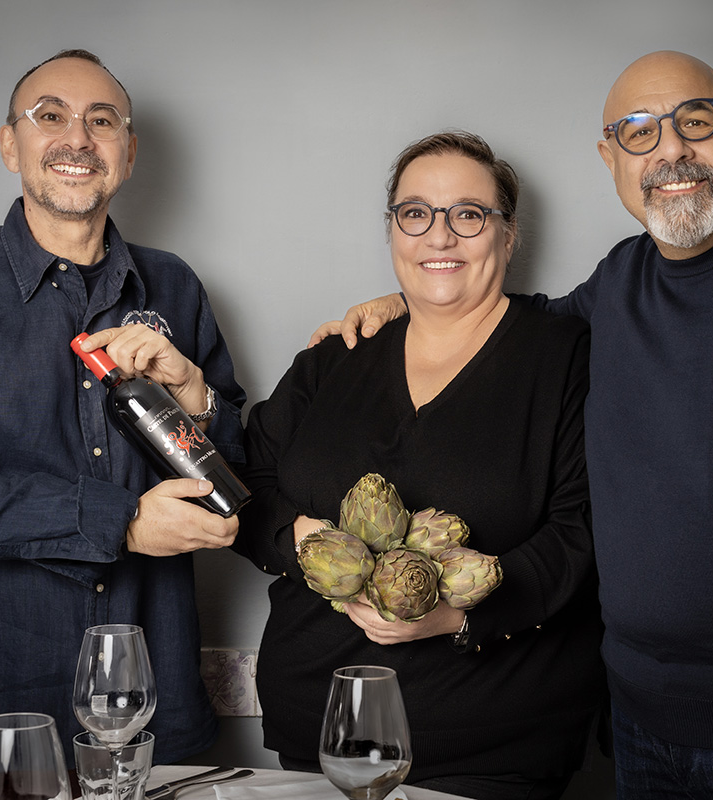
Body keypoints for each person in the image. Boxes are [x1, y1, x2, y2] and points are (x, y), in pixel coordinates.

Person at [312, 52, 713, 800]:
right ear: (610, 159)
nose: (670, 149)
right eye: (639, 133)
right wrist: (408, 304)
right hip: (640, 730)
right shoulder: (619, 283)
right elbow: (513, 331)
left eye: (695, 121)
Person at [0, 49, 245, 783]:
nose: (77, 138)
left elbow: (233, 485)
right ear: (11, 145)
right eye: (50, 116)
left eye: (102, 121)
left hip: (143, 715)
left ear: (127, 155)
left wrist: (196, 395)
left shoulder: (175, 287)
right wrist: (123, 520)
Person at [233, 131, 605, 800]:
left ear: (508, 234)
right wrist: (305, 543)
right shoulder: (333, 358)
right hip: (317, 731)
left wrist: (458, 617)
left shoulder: (565, 357)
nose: (440, 237)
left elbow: (582, 532)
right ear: (393, 230)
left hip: (492, 740)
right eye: (415, 214)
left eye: (468, 214)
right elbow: (244, 486)